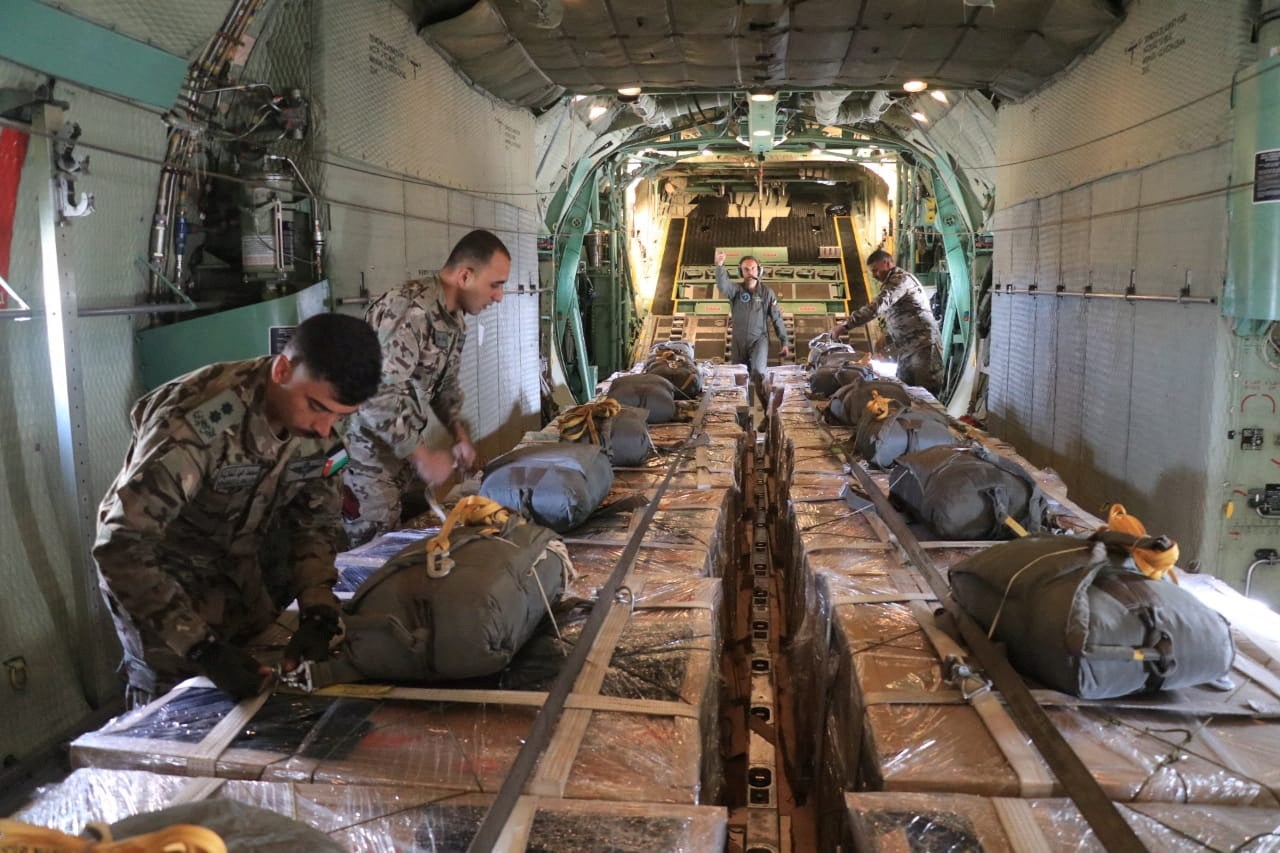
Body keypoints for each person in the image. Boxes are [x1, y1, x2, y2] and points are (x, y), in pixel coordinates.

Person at [93, 313, 383, 707]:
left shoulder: (320, 425)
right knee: (172, 718)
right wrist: (200, 649)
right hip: (161, 591)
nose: (323, 428)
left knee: (259, 700)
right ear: (283, 369)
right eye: (317, 407)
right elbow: (121, 545)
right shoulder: (195, 423)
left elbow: (314, 520)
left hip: (237, 579)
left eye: (339, 416)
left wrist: (317, 604)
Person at [342, 229, 511, 546]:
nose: (499, 296)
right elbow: (373, 396)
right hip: (369, 465)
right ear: (464, 275)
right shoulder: (410, 312)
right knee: (371, 563)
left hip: (400, 460)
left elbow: (445, 388)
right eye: (495, 285)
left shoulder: (453, 319)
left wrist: (459, 435)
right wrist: (421, 456)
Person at [830, 249, 944, 395]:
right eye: (872, 272)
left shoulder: (900, 280)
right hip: (907, 348)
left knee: (926, 394)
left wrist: (845, 326)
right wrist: (888, 337)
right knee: (904, 392)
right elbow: (903, 316)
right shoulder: (891, 282)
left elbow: (877, 306)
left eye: (876, 270)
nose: (874, 275)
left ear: (887, 263)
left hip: (923, 346)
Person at [713, 250, 790, 409]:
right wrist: (720, 266)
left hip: (758, 340)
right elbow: (723, 285)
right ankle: (742, 416)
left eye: (753, 268)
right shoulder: (735, 291)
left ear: (759, 270)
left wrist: (784, 341)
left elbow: (776, 318)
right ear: (741, 272)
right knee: (739, 378)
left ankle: (769, 412)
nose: (750, 272)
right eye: (746, 269)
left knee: (758, 373)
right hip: (739, 342)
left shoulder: (767, 293)